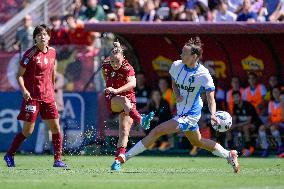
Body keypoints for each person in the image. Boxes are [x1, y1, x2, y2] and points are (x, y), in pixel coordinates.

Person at [119, 37, 240, 173]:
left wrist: (213, 114)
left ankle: (124, 157)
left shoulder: (204, 74)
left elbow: (210, 98)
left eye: (184, 53)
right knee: (198, 142)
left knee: (156, 131)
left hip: (191, 114)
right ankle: (229, 154)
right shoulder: (176, 65)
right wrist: (176, 93)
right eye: (181, 51)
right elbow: (174, 82)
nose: (181, 55)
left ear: (194, 56)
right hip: (181, 111)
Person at [3, 24, 67, 168]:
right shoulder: (29, 54)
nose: (42, 36)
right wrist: (24, 90)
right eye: (39, 35)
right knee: (28, 131)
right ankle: (9, 154)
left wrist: (53, 91)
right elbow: (19, 75)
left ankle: (57, 160)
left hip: (49, 97)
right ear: (34, 38)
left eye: (44, 34)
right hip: (32, 98)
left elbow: (52, 73)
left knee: (56, 128)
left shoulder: (52, 52)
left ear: (49, 37)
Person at [101, 41, 154, 171]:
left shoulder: (128, 67)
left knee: (124, 131)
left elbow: (133, 84)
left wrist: (116, 90)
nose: (114, 64)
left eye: (117, 61)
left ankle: (117, 161)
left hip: (128, 100)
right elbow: (105, 75)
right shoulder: (106, 64)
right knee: (124, 99)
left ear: (123, 58)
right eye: (112, 61)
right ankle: (141, 120)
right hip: (114, 99)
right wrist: (110, 88)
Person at [227, 91, 262, 156]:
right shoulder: (235, 106)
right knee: (228, 128)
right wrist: (232, 125)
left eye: (237, 97)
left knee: (245, 128)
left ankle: (247, 149)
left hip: (255, 124)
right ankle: (230, 149)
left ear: (241, 97)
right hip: (241, 124)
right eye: (234, 98)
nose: (235, 99)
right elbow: (234, 119)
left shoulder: (248, 105)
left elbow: (249, 121)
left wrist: (236, 125)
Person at [258, 87, 284, 157]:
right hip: (273, 123)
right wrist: (268, 123)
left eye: (277, 92)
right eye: (274, 92)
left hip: (281, 123)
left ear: (280, 93)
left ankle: (280, 146)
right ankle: (265, 148)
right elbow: (270, 116)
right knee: (261, 128)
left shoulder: (283, 102)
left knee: (273, 128)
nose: (275, 94)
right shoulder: (271, 103)